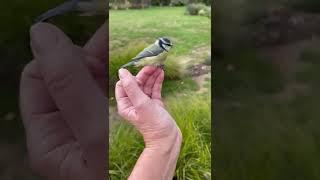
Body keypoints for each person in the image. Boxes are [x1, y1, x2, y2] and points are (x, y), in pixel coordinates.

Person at [20, 22, 182, 179]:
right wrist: (165, 141)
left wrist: (164, 140)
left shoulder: (161, 51)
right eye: (166, 45)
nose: (168, 48)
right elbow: (145, 57)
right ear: (161, 45)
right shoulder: (156, 50)